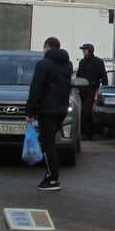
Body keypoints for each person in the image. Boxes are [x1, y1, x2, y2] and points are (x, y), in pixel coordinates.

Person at [26, 37, 74, 191]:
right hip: (61, 109)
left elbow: (36, 88)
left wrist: (30, 110)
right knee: (49, 141)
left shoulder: (42, 65)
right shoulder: (68, 65)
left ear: (47, 48)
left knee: (48, 145)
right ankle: (50, 174)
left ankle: (53, 178)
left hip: (47, 110)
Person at [76, 43, 108, 140]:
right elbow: (78, 75)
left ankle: (89, 132)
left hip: (92, 91)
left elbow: (104, 76)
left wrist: (104, 89)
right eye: (83, 50)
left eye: (85, 49)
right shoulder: (82, 62)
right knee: (81, 112)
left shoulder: (97, 62)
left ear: (90, 50)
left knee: (87, 112)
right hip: (81, 91)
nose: (83, 51)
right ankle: (83, 132)